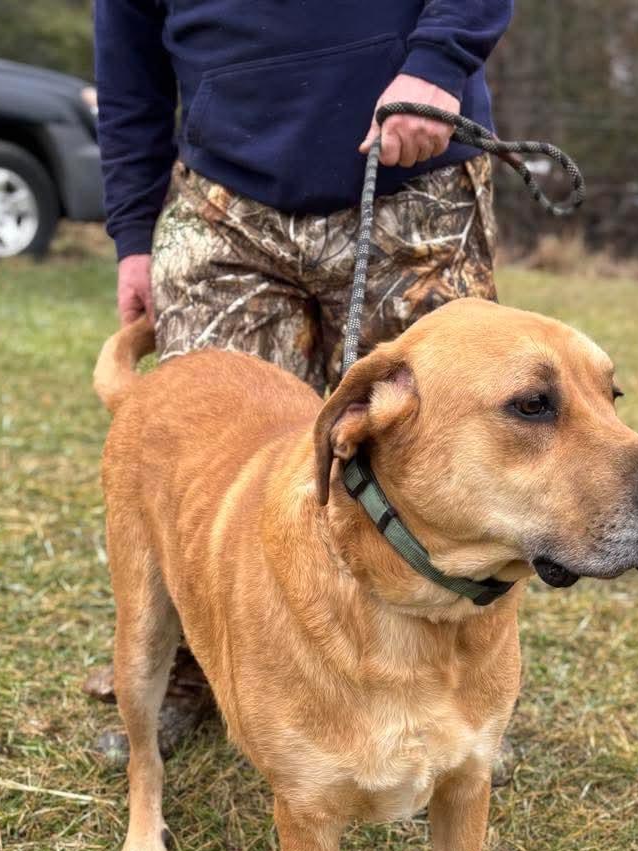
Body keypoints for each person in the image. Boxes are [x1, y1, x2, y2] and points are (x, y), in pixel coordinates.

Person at [87, 0, 516, 763]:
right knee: (207, 454)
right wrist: (131, 235)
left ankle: (453, 703)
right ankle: (198, 666)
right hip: (225, 200)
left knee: (443, 456)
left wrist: (440, 62)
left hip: (414, 171)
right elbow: (129, 78)